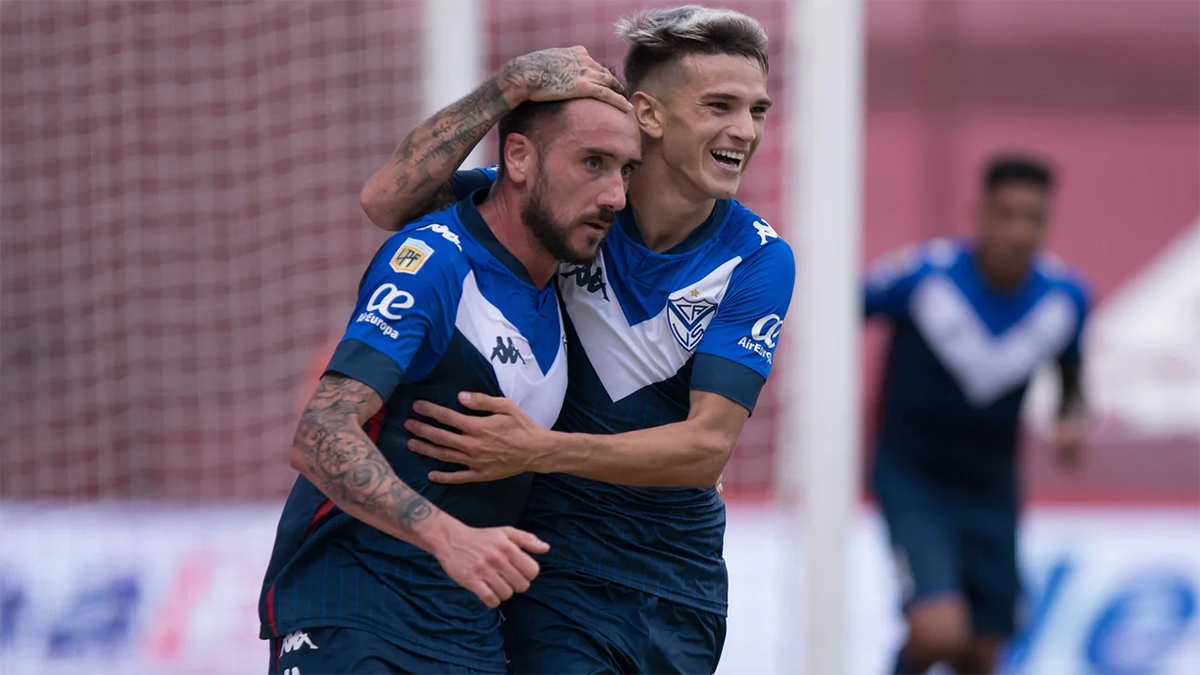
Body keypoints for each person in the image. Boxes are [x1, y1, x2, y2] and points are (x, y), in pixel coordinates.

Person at [359, 6, 793, 674]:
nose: (745, 130)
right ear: (647, 114)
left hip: (683, 584)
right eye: (719, 106)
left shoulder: (759, 258)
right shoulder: (564, 206)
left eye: (757, 110)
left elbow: (707, 448)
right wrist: (504, 87)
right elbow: (386, 200)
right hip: (554, 570)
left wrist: (538, 448)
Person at [258, 89, 641, 675]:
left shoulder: (570, 280)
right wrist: (447, 536)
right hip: (355, 615)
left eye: (626, 170)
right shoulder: (434, 261)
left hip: (468, 634)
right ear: (518, 158)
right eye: (592, 163)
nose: (615, 195)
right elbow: (319, 433)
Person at [863, 155, 1090, 675]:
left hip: (992, 489)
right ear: (980, 214)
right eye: (1006, 215)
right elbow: (839, 310)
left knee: (982, 653)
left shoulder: (1064, 299)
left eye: (1032, 219)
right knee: (939, 631)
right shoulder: (923, 278)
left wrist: (1072, 421)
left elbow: (1073, 379)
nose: (1018, 232)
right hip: (914, 480)